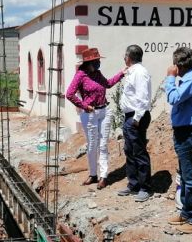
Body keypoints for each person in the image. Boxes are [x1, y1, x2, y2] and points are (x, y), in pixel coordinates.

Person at [65, 47, 125, 189]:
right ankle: (93, 174)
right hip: (90, 114)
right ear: (88, 62)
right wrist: (85, 106)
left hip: (104, 111)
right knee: (92, 145)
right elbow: (69, 94)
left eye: (98, 60)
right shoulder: (80, 75)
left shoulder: (97, 73)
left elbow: (108, 84)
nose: (98, 62)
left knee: (103, 145)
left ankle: (103, 176)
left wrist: (121, 73)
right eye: (96, 60)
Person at [164, 46, 192, 233]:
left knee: (191, 176)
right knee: (185, 173)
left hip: (189, 131)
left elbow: (173, 98)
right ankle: (187, 212)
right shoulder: (190, 78)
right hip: (184, 130)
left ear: (179, 65)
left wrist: (170, 78)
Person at [117, 45, 152, 202]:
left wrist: (137, 119)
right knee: (129, 151)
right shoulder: (132, 72)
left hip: (136, 117)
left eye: (125, 55)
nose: (124, 58)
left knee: (139, 151)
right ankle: (133, 184)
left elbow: (143, 98)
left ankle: (145, 187)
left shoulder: (140, 73)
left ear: (129, 57)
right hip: (129, 116)